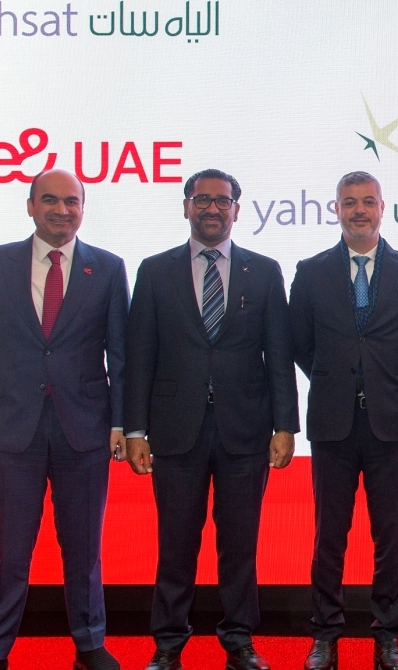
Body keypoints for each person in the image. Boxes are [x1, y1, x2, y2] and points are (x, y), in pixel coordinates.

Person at [124, 169, 298, 670]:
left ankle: (239, 639)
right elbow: (140, 355)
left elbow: (279, 354)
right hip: (175, 430)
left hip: (246, 431)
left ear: (237, 211)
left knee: (239, 544)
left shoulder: (264, 272)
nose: (212, 209)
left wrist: (285, 425)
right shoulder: (154, 271)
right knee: (175, 543)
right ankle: (168, 643)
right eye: (202, 200)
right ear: (186, 207)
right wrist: (134, 429)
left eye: (222, 201)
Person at [0, 169, 129, 670]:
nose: (61, 210)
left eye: (71, 201)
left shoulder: (108, 268)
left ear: (83, 208)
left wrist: (122, 424)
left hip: (86, 431)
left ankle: (90, 645)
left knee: (84, 549)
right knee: (10, 551)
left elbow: (121, 355)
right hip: (13, 429)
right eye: (50, 200)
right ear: (30, 206)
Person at [289, 171, 398, 670]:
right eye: (349, 202)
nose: (359, 210)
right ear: (336, 209)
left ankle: (387, 634)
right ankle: (325, 633)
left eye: (367, 201)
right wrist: (337, 379)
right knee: (329, 536)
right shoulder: (310, 272)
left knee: (390, 537)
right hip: (332, 422)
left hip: (390, 422)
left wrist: (386, 381)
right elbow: (300, 344)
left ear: (382, 208)